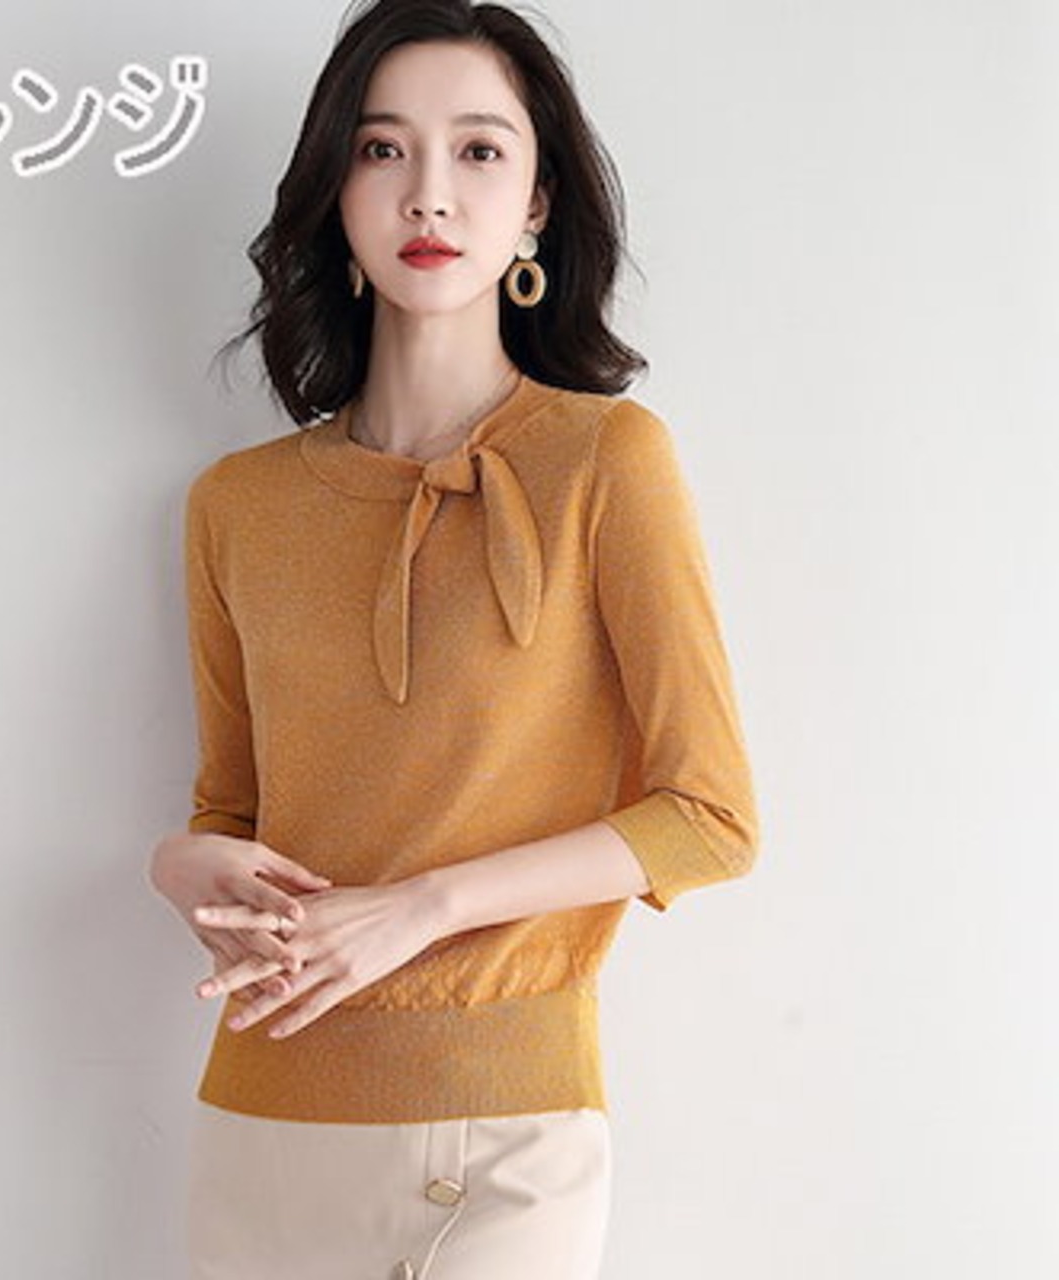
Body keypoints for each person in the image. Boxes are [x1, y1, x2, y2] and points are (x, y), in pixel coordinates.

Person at [148, 1, 760, 1276]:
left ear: (535, 202)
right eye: (381, 150)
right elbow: (234, 808)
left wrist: (421, 909)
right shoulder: (235, 506)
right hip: (261, 1127)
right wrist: (180, 864)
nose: (428, 192)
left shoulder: (606, 462)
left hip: (506, 1136)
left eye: (478, 150)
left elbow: (707, 817)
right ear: (335, 193)